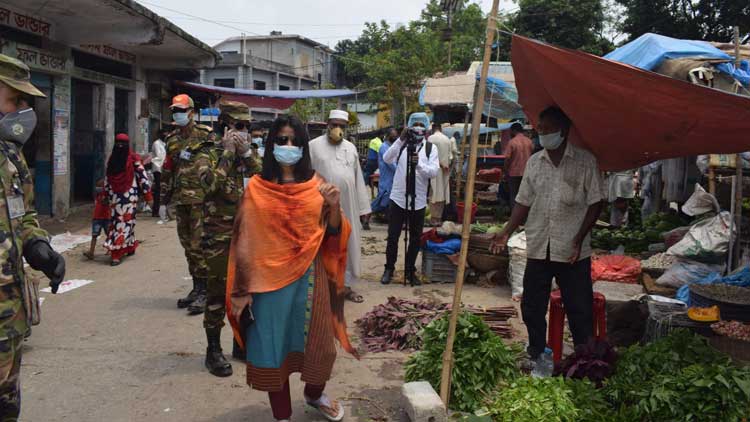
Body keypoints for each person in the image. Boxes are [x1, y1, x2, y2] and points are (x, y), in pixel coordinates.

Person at [227, 115, 357, 422]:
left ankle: (315, 395)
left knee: (321, 348)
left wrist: (335, 208)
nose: (288, 147)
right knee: (275, 351)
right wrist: (241, 291)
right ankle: (282, 416)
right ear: (271, 145)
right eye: (282, 140)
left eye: (295, 142)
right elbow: (244, 241)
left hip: (310, 279)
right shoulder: (257, 189)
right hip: (266, 284)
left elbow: (335, 235)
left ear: (303, 148)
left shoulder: (318, 187)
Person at [490, 106, 605, 363]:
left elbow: (597, 202)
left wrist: (579, 238)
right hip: (540, 246)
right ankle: (537, 354)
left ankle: (583, 361)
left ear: (563, 131)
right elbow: (523, 201)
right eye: (539, 129)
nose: (541, 134)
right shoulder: (535, 162)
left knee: (579, 310)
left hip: (572, 251)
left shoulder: (585, 161)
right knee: (532, 306)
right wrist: (506, 231)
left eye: (547, 129)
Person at [0, 54, 65, 420]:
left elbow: (22, 212)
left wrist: (37, 245)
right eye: (15, 100)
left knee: (8, 402)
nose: (23, 111)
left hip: (10, 314)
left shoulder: (11, 154)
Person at [195, 100, 261, 377]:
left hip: (248, 232)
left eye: (247, 127)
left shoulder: (250, 153)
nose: (243, 131)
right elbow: (209, 186)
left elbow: (264, 179)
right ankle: (213, 350)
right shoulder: (206, 153)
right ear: (224, 126)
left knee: (248, 290)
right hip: (218, 233)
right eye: (238, 126)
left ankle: (241, 342)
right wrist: (227, 155)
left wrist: (245, 153)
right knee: (217, 293)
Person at [160, 94, 219, 313]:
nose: (178, 114)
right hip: (181, 199)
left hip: (201, 201)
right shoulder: (172, 139)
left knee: (199, 245)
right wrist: (163, 200)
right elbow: (168, 170)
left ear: (191, 112)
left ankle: (205, 291)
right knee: (187, 246)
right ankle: (197, 288)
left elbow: (217, 166)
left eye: (181, 110)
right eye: (175, 110)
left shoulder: (205, 135)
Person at [309, 110, 371, 303]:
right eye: (334, 124)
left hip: (348, 205)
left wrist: (363, 208)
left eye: (341, 126)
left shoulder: (351, 148)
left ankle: (346, 286)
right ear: (327, 124)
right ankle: (324, 287)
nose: (337, 129)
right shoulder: (313, 146)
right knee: (323, 245)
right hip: (321, 206)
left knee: (347, 244)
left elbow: (358, 177)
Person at [380, 113, 439, 286]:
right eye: (416, 124)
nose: (418, 127)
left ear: (427, 128)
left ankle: (409, 270)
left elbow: (433, 172)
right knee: (393, 236)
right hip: (398, 197)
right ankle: (389, 269)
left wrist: (419, 164)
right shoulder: (402, 145)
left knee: (415, 238)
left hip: (419, 198)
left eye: (422, 124)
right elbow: (386, 158)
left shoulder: (430, 148)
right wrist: (400, 140)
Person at [103, 134, 152, 266]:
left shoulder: (112, 160)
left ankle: (129, 246)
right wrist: (148, 195)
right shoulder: (133, 158)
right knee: (123, 222)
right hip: (129, 196)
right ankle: (116, 254)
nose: (120, 146)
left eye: (121, 143)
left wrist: (106, 194)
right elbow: (143, 177)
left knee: (121, 221)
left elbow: (107, 180)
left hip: (115, 197)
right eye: (118, 143)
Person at [427, 123, 454, 226]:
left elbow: (428, 156)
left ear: (433, 129)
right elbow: (451, 157)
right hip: (445, 171)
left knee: (433, 193)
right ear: (440, 129)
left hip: (433, 170)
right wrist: (446, 165)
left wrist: (440, 164)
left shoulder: (430, 139)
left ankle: (434, 219)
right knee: (442, 193)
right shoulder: (447, 139)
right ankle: (438, 219)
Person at [503, 122, 534, 210]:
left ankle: (514, 216)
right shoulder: (529, 141)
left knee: (514, 195)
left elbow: (507, 159)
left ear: (513, 131)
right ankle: (524, 217)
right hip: (527, 172)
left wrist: (505, 171)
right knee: (525, 195)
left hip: (514, 173)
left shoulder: (512, 142)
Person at [371, 128, 398, 217]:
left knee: (388, 197)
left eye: (395, 136)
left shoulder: (392, 146)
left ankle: (386, 215)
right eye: (393, 136)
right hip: (387, 175)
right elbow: (390, 163)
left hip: (392, 176)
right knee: (383, 196)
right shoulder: (384, 147)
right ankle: (368, 213)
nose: (394, 137)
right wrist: (399, 170)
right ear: (388, 136)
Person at [83, 179, 109, 260]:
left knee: (109, 235)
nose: (98, 188)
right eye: (97, 186)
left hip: (107, 218)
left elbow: (106, 202)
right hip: (97, 218)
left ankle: (111, 249)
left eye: (100, 186)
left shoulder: (107, 195)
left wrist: (105, 196)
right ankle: (91, 252)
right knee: (94, 235)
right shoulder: (97, 195)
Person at [151, 129, 167, 220]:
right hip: (158, 168)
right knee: (158, 190)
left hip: (163, 169)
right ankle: (155, 211)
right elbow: (160, 156)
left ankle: (161, 211)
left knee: (162, 190)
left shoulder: (164, 144)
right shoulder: (156, 143)